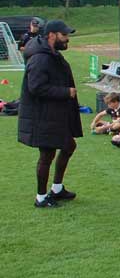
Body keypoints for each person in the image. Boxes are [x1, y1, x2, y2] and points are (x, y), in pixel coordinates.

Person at [18, 19, 82, 209]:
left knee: (69, 145)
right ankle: (41, 197)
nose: (67, 40)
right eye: (64, 36)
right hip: (43, 116)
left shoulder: (51, 54)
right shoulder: (40, 58)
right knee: (47, 155)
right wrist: (65, 92)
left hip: (54, 115)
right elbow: (36, 87)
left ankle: (56, 188)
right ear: (52, 35)